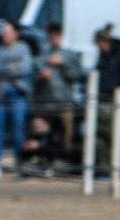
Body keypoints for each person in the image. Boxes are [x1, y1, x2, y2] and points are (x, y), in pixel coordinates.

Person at [0, 19, 34, 179]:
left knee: (18, 131)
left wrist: (1, 68)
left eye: (6, 31)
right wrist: (10, 67)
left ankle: (19, 165)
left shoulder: (23, 49)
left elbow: (24, 68)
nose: (3, 34)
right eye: (2, 31)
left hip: (17, 96)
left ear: (16, 33)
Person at [32, 22, 84, 151]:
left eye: (57, 36)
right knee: (45, 134)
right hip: (46, 104)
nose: (54, 39)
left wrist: (63, 64)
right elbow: (33, 82)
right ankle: (47, 159)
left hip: (65, 103)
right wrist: (40, 77)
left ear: (61, 36)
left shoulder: (70, 55)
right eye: (51, 36)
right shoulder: (41, 56)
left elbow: (76, 76)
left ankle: (65, 158)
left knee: (67, 134)